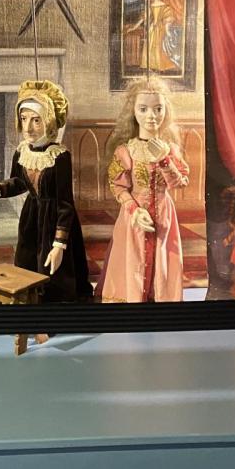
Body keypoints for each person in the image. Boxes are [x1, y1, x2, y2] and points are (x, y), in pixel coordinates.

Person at [0, 80, 92, 302]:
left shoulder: (59, 156)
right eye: (24, 119)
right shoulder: (22, 152)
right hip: (31, 218)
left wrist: (59, 244)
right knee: (27, 263)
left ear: (49, 121)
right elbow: (19, 183)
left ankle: (52, 310)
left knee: (53, 274)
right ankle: (28, 305)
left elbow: (65, 204)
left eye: (36, 120)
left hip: (54, 221)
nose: (28, 127)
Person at [96, 79, 189, 303]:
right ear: (133, 111)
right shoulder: (126, 150)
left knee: (163, 260)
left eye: (158, 109)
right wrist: (134, 210)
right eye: (143, 109)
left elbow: (180, 183)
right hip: (134, 217)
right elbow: (118, 186)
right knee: (134, 259)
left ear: (165, 111)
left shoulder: (171, 149)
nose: (151, 116)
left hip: (164, 214)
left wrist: (164, 160)